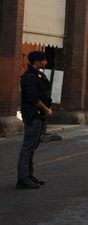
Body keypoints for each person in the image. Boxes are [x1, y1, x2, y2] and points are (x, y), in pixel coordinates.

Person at [16, 51, 53, 189]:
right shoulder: (28, 77)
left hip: (39, 115)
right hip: (33, 115)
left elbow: (43, 94)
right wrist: (46, 109)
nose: (46, 62)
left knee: (32, 146)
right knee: (28, 147)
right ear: (37, 61)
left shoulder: (38, 75)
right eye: (44, 60)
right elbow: (33, 98)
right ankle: (23, 178)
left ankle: (29, 175)